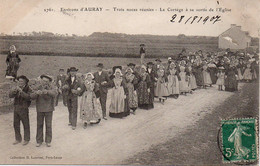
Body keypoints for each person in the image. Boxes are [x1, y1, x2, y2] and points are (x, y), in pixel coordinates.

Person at [30, 74, 58, 147]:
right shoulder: (38, 87)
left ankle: (48, 141)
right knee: (39, 125)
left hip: (49, 109)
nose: (44, 82)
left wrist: (47, 92)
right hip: (40, 109)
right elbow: (31, 96)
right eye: (43, 81)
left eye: (46, 81)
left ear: (49, 82)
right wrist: (36, 93)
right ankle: (39, 141)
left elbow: (55, 93)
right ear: (41, 80)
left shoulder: (51, 86)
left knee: (48, 125)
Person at [9, 75, 32, 146]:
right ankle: (18, 139)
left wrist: (21, 91)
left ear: (25, 82)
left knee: (25, 124)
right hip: (16, 107)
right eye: (19, 81)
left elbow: (28, 97)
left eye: (21, 81)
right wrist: (13, 91)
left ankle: (26, 139)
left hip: (24, 108)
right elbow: (10, 96)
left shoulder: (28, 88)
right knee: (16, 124)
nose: (20, 82)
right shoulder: (16, 88)